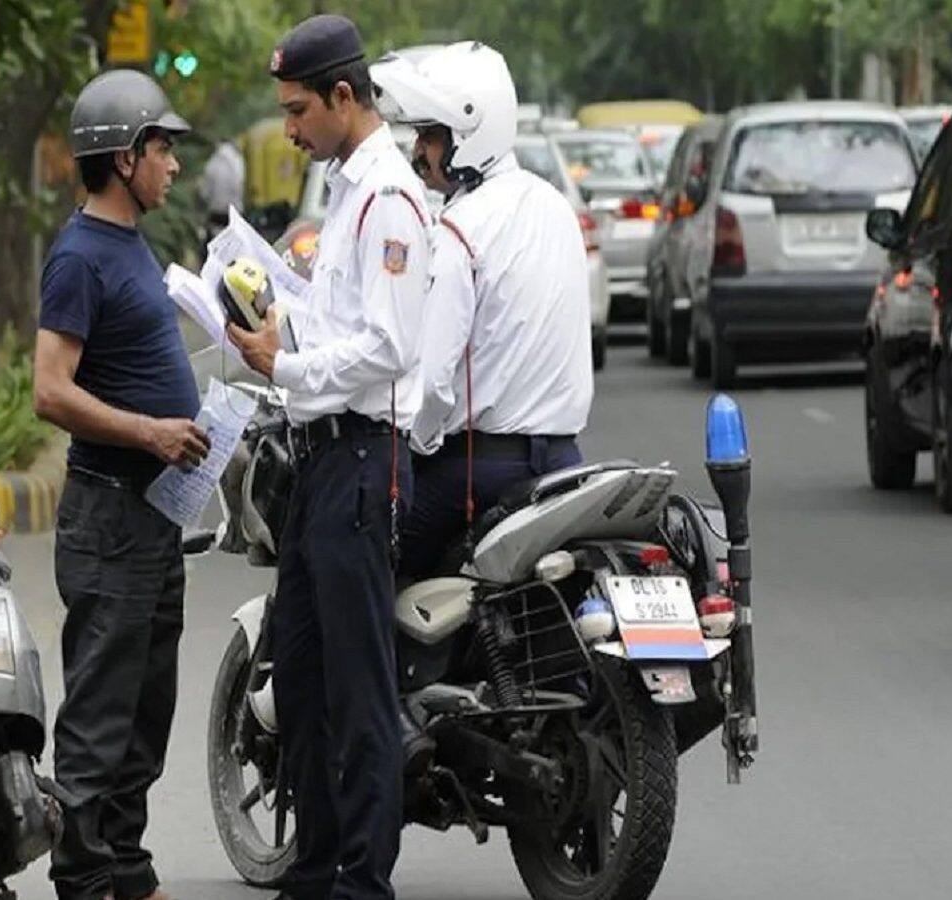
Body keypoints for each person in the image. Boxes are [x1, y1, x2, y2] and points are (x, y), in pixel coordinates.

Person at [226, 14, 430, 900]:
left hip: (361, 462)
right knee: (301, 678)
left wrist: (285, 363)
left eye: (297, 109)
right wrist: (278, 319)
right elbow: (340, 319)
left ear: (344, 96)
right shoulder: (348, 193)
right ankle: (311, 870)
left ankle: (363, 881)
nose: (289, 129)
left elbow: (389, 346)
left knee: (357, 688)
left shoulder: (390, 199)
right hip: (318, 460)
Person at [31, 69, 207, 900]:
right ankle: (85, 877)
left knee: (146, 706)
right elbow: (50, 391)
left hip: (152, 518)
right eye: (162, 149)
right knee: (102, 711)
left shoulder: (131, 245)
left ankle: (126, 866)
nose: (173, 165)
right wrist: (150, 432)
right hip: (108, 517)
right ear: (124, 157)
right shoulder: (78, 257)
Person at [372, 42, 594, 582]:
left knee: (368, 565)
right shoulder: (555, 206)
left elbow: (433, 380)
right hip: (565, 463)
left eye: (429, 136)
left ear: (467, 134)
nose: (418, 152)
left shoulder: (461, 229)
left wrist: (413, 441)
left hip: (477, 471)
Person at [199, 137, 245, 240]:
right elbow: (240, 184)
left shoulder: (212, 163)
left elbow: (205, 192)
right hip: (235, 211)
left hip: (217, 212)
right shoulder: (238, 161)